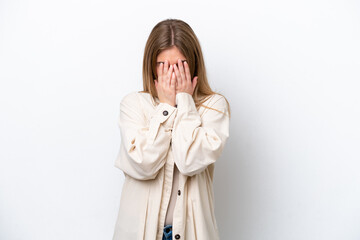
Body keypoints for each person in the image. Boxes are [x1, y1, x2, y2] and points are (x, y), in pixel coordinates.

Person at [112, 18, 231, 240]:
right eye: (164, 66)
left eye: (180, 65)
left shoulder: (213, 107)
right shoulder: (133, 105)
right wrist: (166, 107)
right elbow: (144, 163)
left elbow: (189, 161)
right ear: (152, 67)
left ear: (193, 64)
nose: (173, 74)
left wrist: (185, 102)